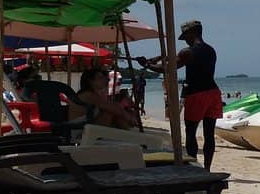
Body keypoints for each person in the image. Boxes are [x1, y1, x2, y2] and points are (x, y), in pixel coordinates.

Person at [137, 19, 221, 170]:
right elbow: (175, 57)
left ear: (191, 33)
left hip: (196, 94)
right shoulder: (211, 50)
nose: (185, 40)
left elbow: (167, 69)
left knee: (190, 132)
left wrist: (147, 65)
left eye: (185, 36)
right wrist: (158, 57)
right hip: (214, 93)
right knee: (209, 135)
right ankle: (207, 169)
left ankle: (194, 168)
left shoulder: (187, 52)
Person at [71, 67, 137, 129]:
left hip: (82, 125)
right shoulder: (88, 95)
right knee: (111, 111)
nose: (104, 80)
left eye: (103, 77)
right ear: (90, 81)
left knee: (114, 111)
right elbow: (113, 108)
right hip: (79, 128)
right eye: (100, 78)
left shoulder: (89, 94)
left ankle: (127, 128)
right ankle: (129, 127)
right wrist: (128, 117)